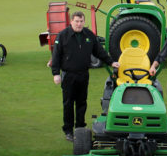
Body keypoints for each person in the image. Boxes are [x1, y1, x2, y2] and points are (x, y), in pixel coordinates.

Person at [51, 11, 119, 141]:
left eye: (81, 21)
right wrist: (56, 74)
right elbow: (56, 56)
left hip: (83, 75)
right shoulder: (63, 35)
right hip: (68, 75)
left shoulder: (89, 35)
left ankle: (80, 127)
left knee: (82, 102)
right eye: (76, 21)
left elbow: (99, 51)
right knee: (68, 104)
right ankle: (68, 131)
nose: (79, 24)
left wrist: (111, 62)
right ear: (71, 22)